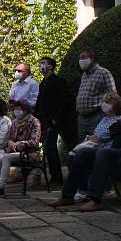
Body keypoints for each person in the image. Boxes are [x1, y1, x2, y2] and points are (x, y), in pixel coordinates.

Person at [45, 90, 121, 209]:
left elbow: (105, 135)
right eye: (104, 102)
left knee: (87, 154)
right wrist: (93, 138)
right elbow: (96, 135)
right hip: (97, 148)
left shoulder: (120, 119)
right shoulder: (103, 119)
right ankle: (67, 195)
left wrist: (95, 138)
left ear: (115, 105)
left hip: (108, 150)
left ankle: (94, 198)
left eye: (108, 102)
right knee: (77, 154)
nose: (105, 104)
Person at [0, 100, 42, 197]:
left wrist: (18, 143)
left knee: (6, 158)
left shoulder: (34, 121)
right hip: (14, 151)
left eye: (19, 109)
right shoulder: (14, 122)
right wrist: (10, 143)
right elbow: (10, 138)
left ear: (25, 110)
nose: (16, 111)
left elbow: (35, 141)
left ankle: (0, 187)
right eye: (15, 109)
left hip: (30, 153)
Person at [35, 57, 76, 185]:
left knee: (72, 146)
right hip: (47, 120)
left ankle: (75, 174)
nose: (41, 66)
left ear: (51, 67)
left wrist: (56, 118)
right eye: (40, 63)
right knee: (49, 147)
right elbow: (40, 102)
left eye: (44, 63)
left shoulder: (58, 81)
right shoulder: (43, 83)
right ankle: (56, 177)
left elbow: (64, 101)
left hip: (61, 119)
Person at [75, 49, 116, 140]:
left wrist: (108, 111)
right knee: (82, 146)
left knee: (95, 143)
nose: (81, 60)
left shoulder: (103, 72)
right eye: (79, 58)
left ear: (92, 58)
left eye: (83, 57)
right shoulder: (84, 75)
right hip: (82, 118)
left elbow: (112, 94)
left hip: (96, 116)